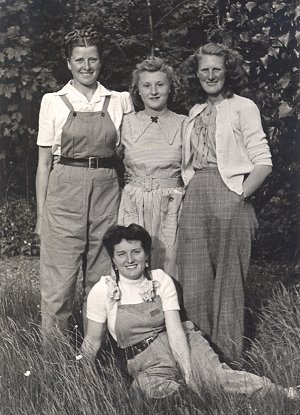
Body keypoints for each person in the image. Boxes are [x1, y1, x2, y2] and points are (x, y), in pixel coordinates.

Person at [81, 224, 298, 400]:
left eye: (136, 252)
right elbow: (92, 342)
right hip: (145, 361)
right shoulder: (104, 290)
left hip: (184, 343)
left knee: (216, 378)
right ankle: (193, 398)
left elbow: (175, 331)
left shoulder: (160, 280)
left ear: (146, 255)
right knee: (143, 393)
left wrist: (189, 373)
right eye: (121, 254)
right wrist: (85, 380)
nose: (130, 260)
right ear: (114, 259)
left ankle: (282, 393)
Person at [178, 43, 273, 362]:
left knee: (230, 282)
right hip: (195, 198)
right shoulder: (193, 112)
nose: (210, 75)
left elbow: (263, 162)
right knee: (193, 281)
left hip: (230, 193)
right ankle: (200, 361)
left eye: (216, 68)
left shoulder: (243, 107)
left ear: (227, 71)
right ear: (196, 74)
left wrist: (239, 196)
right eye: (204, 69)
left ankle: (229, 361)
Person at [35, 28, 133, 336]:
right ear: (69, 63)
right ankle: (53, 361)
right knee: (58, 283)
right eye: (80, 60)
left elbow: (131, 155)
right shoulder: (53, 101)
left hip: (107, 189)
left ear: (101, 61)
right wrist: (41, 217)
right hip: (64, 190)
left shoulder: (119, 101)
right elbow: (44, 163)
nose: (86, 67)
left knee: (103, 278)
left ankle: (99, 352)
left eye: (92, 59)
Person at [117, 57, 186, 278]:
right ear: (137, 90)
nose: (153, 91)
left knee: (169, 267)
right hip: (134, 205)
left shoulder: (185, 123)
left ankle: (172, 313)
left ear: (170, 88)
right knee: (133, 265)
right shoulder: (125, 123)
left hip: (171, 206)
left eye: (160, 85)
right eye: (146, 85)